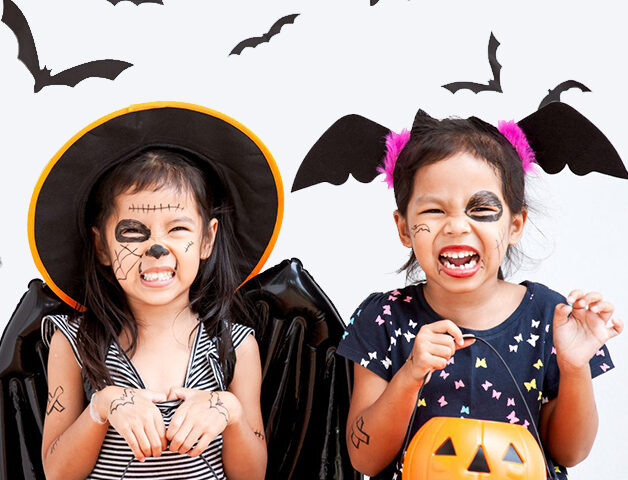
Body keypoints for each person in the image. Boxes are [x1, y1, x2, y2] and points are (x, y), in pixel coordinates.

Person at [335, 110, 624, 479]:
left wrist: (573, 367)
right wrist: (411, 374)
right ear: (404, 228)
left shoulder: (551, 317)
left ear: (516, 224)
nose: (457, 226)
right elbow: (364, 458)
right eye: (435, 210)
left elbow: (570, 451)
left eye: (482, 209)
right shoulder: (385, 318)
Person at [32, 103, 282, 479]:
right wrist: (103, 406)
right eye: (133, 231)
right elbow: (56, 472)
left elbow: (251, 475)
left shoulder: (235, 345)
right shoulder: (74, 342)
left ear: (207, 239)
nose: (156, 249)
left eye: (178, 229)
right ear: (102, 246)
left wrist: (228, 410)